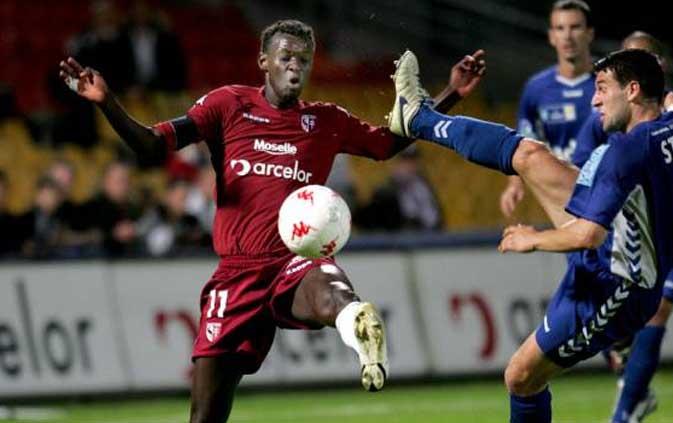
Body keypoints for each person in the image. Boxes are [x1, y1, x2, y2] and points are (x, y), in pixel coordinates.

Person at [59, 19, 485, 423]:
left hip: (293, 260)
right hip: (236, 275)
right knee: (204, 415)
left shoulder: (326, 120)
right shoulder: (229, 105)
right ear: (264, 61)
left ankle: (354, 319)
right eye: (285, 57)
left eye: (303, 59)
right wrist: (106, 103)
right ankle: (348, 316)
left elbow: (387, 144)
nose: (294, 66)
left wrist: (449, 95)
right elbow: (152, 147)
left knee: (329, 286)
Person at [388, 48, 673, 422]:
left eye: (602, 88)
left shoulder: (626, 151)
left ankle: (622, 350)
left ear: (632, 90)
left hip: (616, 287)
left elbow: (586, 235)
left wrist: (533, 239)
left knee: (520, 377)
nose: (594, 99)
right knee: (529, 155)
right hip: (618, 243)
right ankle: (418, 118)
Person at [572, 31, 673, 423]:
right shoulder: (602, 116)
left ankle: (626, 410)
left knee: (658, 313)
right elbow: (582, 168)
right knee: (613, 319)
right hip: (625, 236)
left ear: (658, 68)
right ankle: (631, 378)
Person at [499, 0, 595, 218]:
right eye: (560, 28)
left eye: (575, 27)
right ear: (551, 36)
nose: (567, 36)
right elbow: (523, 141)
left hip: (607, 192)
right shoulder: (536, 89)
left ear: (590, 33)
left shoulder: (608, 82)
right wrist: (514, 184)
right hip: (563, 196)